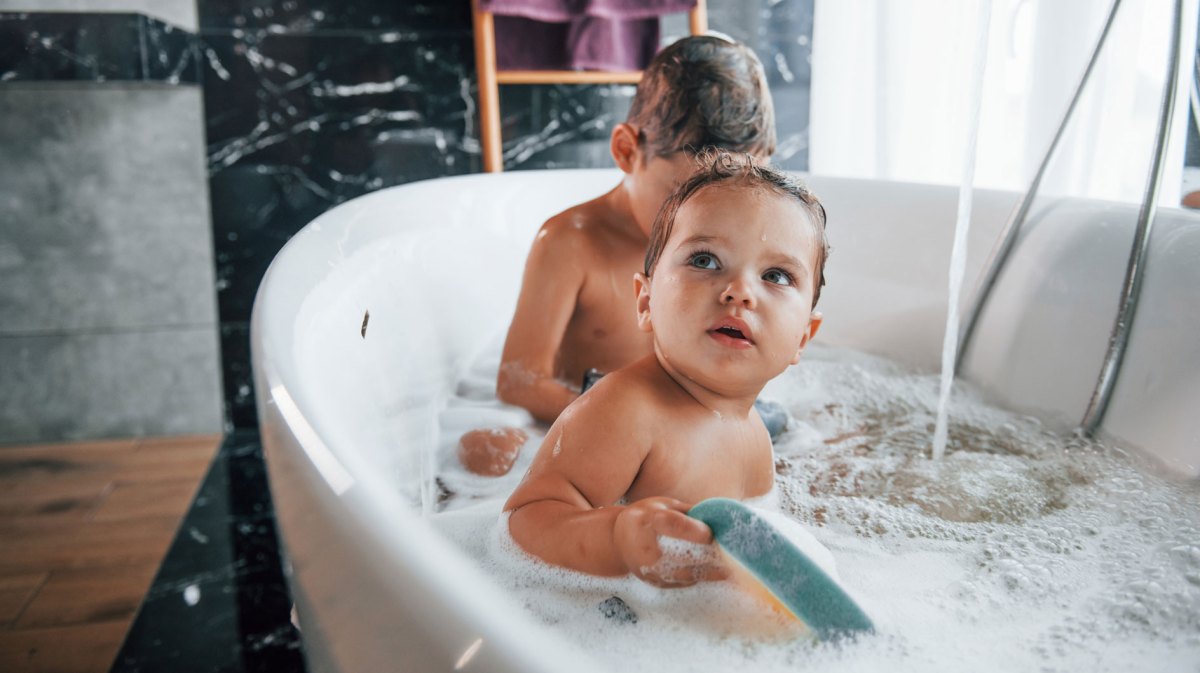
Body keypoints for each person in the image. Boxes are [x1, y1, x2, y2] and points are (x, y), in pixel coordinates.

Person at [503, 152, 829, 587]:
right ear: (645, 302)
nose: (739, 292)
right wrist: (617, 539)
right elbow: (524, 521)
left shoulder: (755, 439)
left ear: (803, 339)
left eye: (776, 275)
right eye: (705, 260)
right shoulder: (627, 409)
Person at [496, 35, 776, 424]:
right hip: (600, 424)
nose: (703, 222)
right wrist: (641, 425)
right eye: (680, 194)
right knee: (486, 451)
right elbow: (520, 382)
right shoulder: (571, 243)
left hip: (698, 422)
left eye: (726, 200)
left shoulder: (736, 250)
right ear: (627, 151)